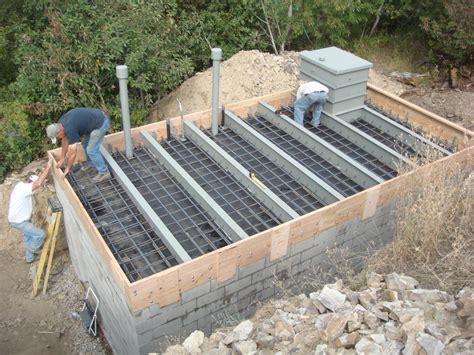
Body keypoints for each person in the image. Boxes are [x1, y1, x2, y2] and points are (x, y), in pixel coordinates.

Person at [46, 107, 111, 182]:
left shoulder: (70, 129)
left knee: (91, 150)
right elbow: (64, 140)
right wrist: (62, 158)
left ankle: (104, 172)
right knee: (84, 144)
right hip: (92, 122)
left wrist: (67, 169)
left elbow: (73, 153)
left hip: (100, 123)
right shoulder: (60, 124)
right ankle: (91, 164)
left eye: (57, 136)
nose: (58, 138)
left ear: (59, 131)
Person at [8, 159, 52, 263]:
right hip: (19, 221)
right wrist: (48, 167)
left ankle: (29, 258)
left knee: (28, 237)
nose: (35, 190)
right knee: (40, 234)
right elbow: (38, 183)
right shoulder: (24, 189)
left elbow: (36, 181)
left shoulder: (20, 186)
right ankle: (32, 250)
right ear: (30, 182)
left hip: (19, 219)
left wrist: (43, 171)